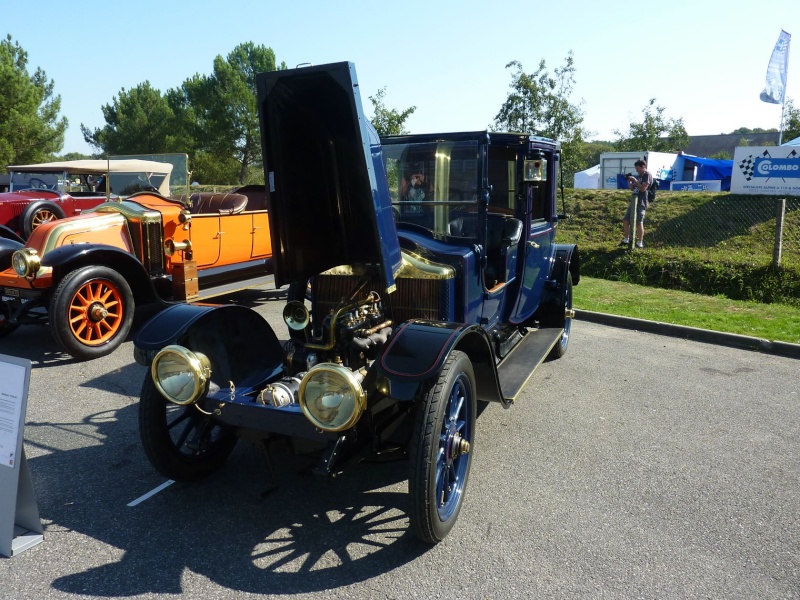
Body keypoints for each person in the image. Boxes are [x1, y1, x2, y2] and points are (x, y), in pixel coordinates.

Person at [620, 159, 652, 249]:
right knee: (626, 220)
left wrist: (634, 179)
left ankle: (640, 242)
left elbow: (643, 188)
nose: (636, 170)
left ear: (643, 166)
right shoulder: (639, 176)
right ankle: (626, 239)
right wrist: (629, 181)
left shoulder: (647, 175)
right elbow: (632, 188)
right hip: (634, 201)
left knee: (639, 222)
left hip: (641, 202)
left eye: (637, 168)